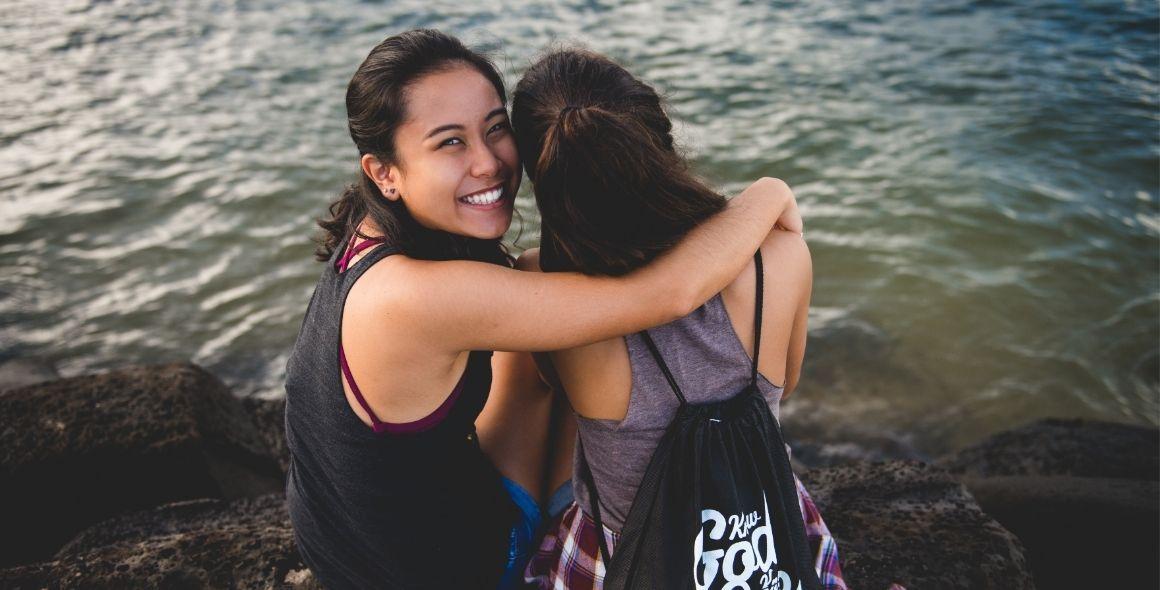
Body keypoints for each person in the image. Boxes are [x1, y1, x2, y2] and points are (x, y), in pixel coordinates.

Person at [283, 30, 804, 590]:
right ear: (382, 171)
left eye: (495, 128)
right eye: (450, 143)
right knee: (557, 355)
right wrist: (768, 194)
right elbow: (666, 297)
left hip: (343, 540)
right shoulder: (424, 297)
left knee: (556, 348)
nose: (489, 163)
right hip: (449, 571)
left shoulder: (369, 237)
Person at [511, 48, 847, 589]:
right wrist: (767, 191)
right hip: (755, 534)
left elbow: (548, 387)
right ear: (659, 133)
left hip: (628, 559)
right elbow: (791, 378)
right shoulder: (779, 257)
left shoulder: (541, 290)